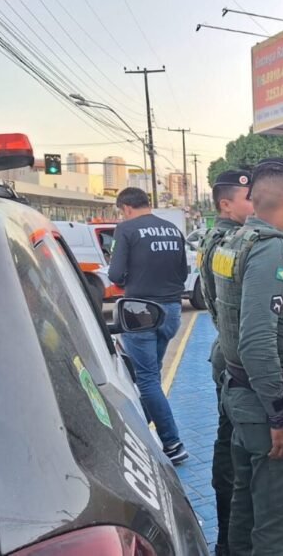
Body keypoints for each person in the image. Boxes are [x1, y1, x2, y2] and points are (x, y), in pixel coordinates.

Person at [211, 158, 283, 555]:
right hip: (266, 407)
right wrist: (280, 417)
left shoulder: (234, 242)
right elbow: (257, 340)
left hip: (240, 397)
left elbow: (220, 313)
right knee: (280, 531)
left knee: (247, 512)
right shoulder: (272, 250)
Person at [108, 187, 189, 463]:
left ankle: (172, 443)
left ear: (126, 208)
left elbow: (116, 274)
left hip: (141, 312)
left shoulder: (127, 230)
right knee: (151, 375)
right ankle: (139, 428)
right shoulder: (172, 230)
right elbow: (184, 273)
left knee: (147, 380)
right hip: (172, 311)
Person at [198, 169, 253, 556]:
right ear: (225, 204)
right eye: (248, 197)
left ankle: (226, 540)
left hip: (225, 353)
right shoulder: (229, 241)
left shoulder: (217, 238)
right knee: (234, 455)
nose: (255, 203)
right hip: (234, 359)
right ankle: (230, 541)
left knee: (228, 447)